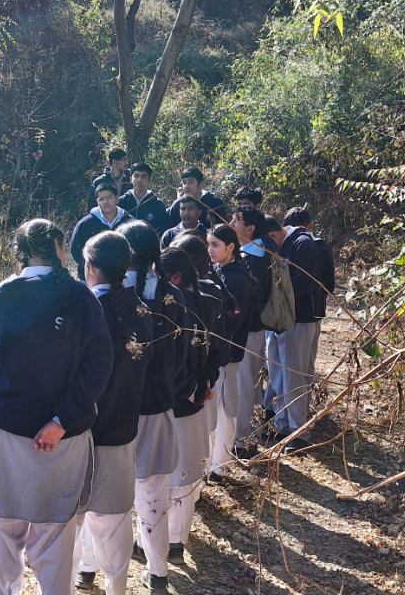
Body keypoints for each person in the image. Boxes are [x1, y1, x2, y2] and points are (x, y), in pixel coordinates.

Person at [0, 219, 114, 595]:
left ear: (20, 251)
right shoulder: (82, 297)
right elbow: (99, 365)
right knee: (56, 536)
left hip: (6, 430)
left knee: (3, 532)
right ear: (57, 246)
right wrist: (61, 420)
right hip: (64, 438)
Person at [75, 231, 155, 595]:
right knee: (115, 516)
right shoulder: (142, 309)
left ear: (89, 268)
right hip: (123, 425)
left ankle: (74, 578)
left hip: (80, 429)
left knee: (72, 519)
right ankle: (116, 587)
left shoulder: (87, 309)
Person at [115, 221, 188, 594]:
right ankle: (158, 572)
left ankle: (92, 570)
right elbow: (181, 354)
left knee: (107, 498)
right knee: (154, 492)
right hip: (157, 405)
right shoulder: (170, 296)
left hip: (114, 410)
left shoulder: (110, 294)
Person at [161, 240, 224, 565]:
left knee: (162, 479)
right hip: (197, 403)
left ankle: (155, 543)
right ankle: (176, 541)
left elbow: (168, 361)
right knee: (186, 479)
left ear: (173, 278)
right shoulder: (211, 302)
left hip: (170, 404)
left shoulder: (168, 307)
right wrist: (205, 385)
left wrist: (190, 389)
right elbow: (219, 353)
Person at [263, 207, 322, 452]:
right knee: (277, 373)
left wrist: (275, 296)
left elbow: (304, 283)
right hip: (280, 320)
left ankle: (299, 432)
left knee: (294, 375)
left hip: (299, 319)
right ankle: (282, 424)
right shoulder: (286, 244)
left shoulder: (302, 244)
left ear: (271, 234)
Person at [207, 226, 254, 480]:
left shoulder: (236, 277)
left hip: (228, 350)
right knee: (219, 409)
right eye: (209, 244)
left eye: (215, 245)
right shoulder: (220, 271)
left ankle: (220, 465)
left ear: (231, 247)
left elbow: (234, 319)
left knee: (226, 410)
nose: (210, 250)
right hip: (221, 350)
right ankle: (215, 461)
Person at [229, 206, 273, 456]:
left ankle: (243, 438)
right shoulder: (251, 253)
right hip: (252, 330)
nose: (233, 224)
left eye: (237, 221)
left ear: (250, 228)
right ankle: (251, 432)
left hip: (250, 330)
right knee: (252, 383)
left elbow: (254, 297)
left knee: (246, 384)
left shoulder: (255, 257)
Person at [71, 181, 133, 278]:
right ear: (97, 202)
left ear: (117, 198)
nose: (106, 202)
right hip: (92, 278)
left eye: (109, 198)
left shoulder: (129, 222)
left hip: (124, 277)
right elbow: (75, 250)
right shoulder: (85, 224)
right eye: (101, 199)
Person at [119, 162, 169, 235]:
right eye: (136, 176)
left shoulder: (157, 204)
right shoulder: (122, 201)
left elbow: (161, 230)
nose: (139, 180)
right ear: (130, 179)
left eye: (144, 177)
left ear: (149, 180)